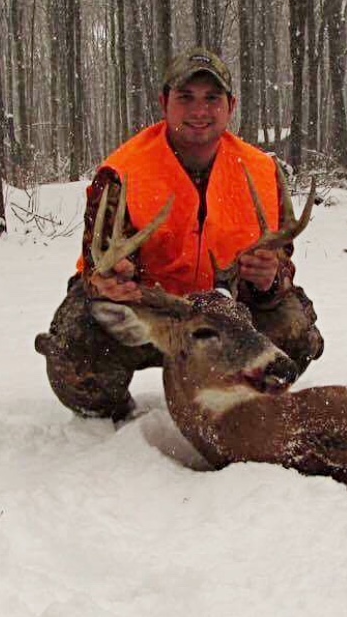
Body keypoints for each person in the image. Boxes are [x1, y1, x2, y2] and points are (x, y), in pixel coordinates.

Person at [35, 47, 324, 421]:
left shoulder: (260, 171)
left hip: (226, 316)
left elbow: (281, 264)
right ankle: (114, 421)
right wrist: (107, 283)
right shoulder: (123, 171)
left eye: (212, 98)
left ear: (231, 106)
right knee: (75, 355)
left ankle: (225, 396)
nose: (199, 111)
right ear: (164, 103)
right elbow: (96, 266)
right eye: (186, 97)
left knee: (295, 333)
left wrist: (269, 280)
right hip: (153, 315)